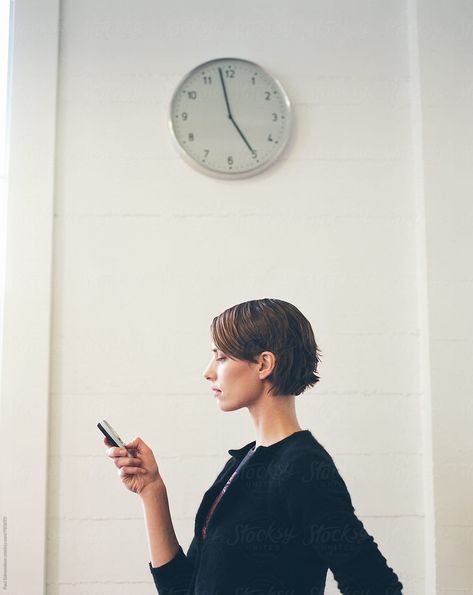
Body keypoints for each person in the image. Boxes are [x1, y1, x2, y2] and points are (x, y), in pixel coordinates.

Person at [104, 298, 404, 594]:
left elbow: (376, 585)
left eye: (221, 357)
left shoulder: (302, 468)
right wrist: (152, 490)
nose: (208, 372)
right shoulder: (242, 463)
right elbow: (183, 589)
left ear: (263, 364)